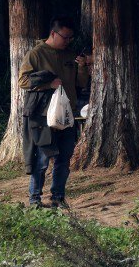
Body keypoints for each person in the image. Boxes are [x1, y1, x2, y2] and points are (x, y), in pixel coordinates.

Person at [18, 17, 91, 210]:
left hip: (67, 114)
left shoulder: (69, 55)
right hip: (43, 116)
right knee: (41, 159)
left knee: (64, 159)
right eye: (65, 37)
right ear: (53, 33)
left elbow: (80, 83)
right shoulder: (36, 54)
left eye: (70, 38)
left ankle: (58, 197)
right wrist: (47, 85)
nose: (67, 41)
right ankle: (34, 199)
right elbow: (23, 81)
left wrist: (83, 66)